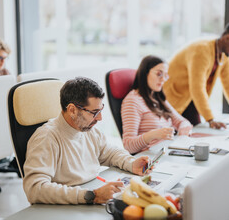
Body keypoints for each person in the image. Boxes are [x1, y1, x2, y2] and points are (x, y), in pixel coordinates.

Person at [23, 77, 150, 205]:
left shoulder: (87, 129)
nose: (99, 118)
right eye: (94, 112)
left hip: (88, 197)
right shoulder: (46, 137)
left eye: (100, 110)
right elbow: (35, 189)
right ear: (72, 110)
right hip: (68, 205)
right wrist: (91, 195)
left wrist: (131, 163)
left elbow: (110, 153)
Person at [163, 22, 229, 129]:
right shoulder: (202, 50)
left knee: (194, 129)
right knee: (171, 130)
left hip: (191, 98)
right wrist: (210, 119)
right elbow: (197, 87)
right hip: (173, 93)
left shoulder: (225, 55)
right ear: (228, 38)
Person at [121, 55, 193, 154]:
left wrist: (184, 128)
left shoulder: (157, 98)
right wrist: (151, 135)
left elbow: (182, 121)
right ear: (145, 73)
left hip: (166, 151)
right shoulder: (132, 101)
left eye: (165, 75)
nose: (163, 79)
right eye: (159, 74)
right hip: (149, 158)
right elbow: (128, 146)